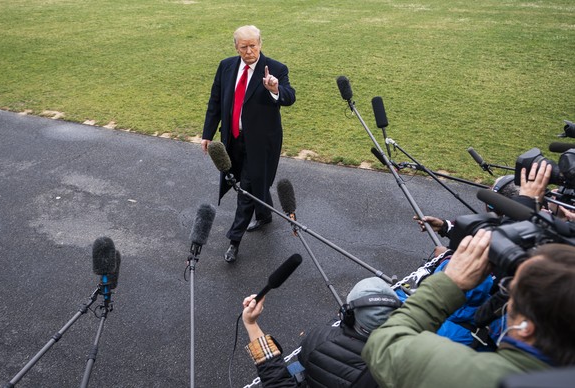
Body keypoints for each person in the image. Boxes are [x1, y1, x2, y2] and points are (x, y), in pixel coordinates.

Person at [362, 230, 575, 387]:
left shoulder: (471, 376)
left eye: (511, 291)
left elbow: (385, 343)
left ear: (526, 327)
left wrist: (450, 282)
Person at [201, 25, 296, 263]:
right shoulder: (226, 66)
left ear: (260, 44)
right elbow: (215, 101)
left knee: (246, 191)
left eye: (253, 45)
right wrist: (207, 134)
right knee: (248, 184)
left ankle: (234, 240)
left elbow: (289, 96)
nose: (249, 51)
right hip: (233, 139)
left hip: (261, 144)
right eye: (244, 47)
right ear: (236, 47)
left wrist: (275, 89)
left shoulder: (275, 69)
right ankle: (264, 213)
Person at [241, 277, 402, 387]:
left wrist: (251, 323)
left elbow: (283, 378)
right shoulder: (409, 363)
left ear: (348, 315)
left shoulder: (319, 338)